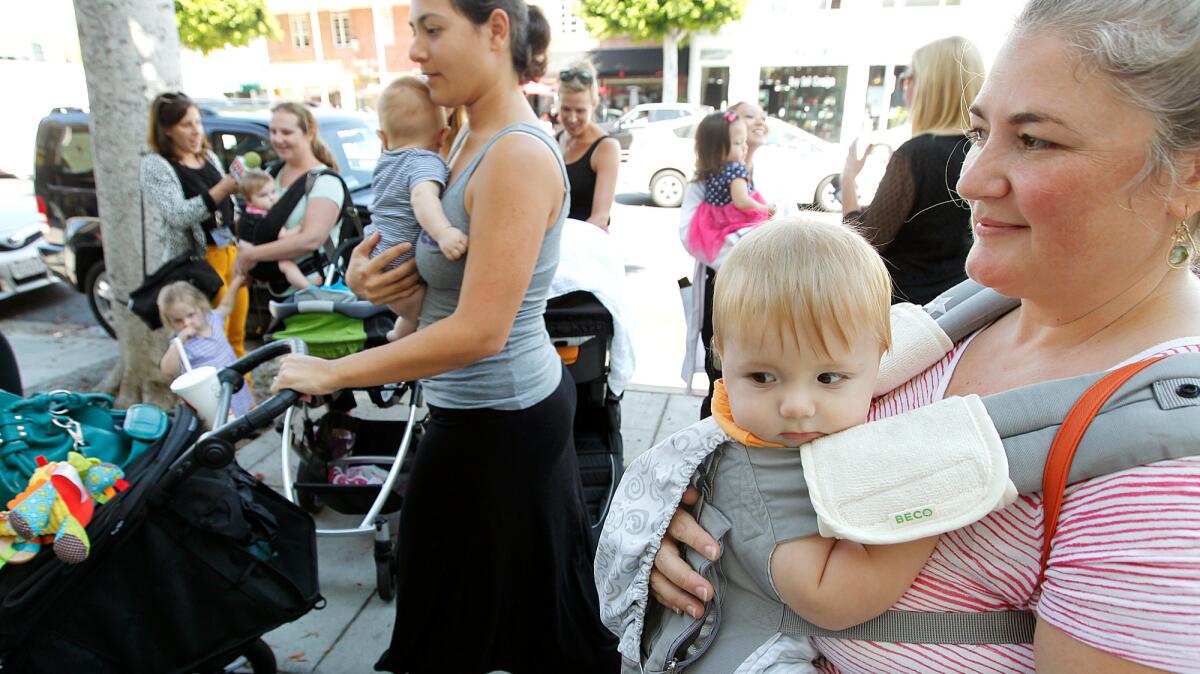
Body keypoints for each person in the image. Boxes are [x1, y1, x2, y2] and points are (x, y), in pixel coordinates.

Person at [649, 1, 1200, 670]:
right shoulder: (973, 312)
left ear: (1188, 176)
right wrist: (700, 526)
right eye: (979, 131)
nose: (969, 179)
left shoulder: (1167, 477)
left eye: (1035, 140)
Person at [271, 1, 620, 671]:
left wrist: (336, 372)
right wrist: (378, 282)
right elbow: (448, 281)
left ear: (494, 30)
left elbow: (483, 330)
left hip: (501, 419)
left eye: (432, 29)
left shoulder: (513, 154)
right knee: (517, 609)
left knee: (451, 610)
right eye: (412, 31)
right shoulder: (461, 135)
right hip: (485, 411)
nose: (414, 51)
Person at [629, 217, 941, 670]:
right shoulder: (763, 469)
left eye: (828, 377)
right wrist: (933, 510)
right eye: (762, 376)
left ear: (881, 359)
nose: (796, 406)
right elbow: (828, 595)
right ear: (720, 355)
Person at [841, 36, 985, 306]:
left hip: (907, 312)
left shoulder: (916, 154)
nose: (904, 87)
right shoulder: (980, 149)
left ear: (933, 86)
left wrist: (848, 178)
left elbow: (861, 244)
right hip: (959, 304)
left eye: (909, 77)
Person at [679, 102, 776, 418]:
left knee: (764, 364)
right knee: (719, 367)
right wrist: (746, 252)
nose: (757, 122)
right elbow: (692, 236)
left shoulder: (776, 172)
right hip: (723, 285)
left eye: (762, 115)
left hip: (768, 288)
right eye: (749, 116)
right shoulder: (704, 183)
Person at [140, 92, 248, 356]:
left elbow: (230, 205)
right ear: (166, 130)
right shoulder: (156, 165)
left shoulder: (207, 157)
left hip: (229, 252)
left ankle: (246, 398)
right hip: (199, 263)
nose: (196, 131)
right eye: (186, 125)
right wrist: (220, 190)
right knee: (212, 341)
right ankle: (218, 396)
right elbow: (178, 215)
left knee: (236, 337)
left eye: (197, 122)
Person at [368, 76, 466, 341]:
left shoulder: (386, 161)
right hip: (401, 265)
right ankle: (402, 339)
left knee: (415, 315)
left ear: (383, 137)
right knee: (431, 318)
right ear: (442, 135)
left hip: (381, 254)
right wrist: (444, 232)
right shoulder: (425, 161)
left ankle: (398, 335)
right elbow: (423, 198)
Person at [234, 102, 346, 289]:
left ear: (310, 133)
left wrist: (250, 255)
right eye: (273, 131)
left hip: (316, 291)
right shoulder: (272, 173)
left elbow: (311, 240)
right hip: (277, 289)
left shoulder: (325, 182)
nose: (277, 139)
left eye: (286, 132)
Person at [686, 111, 775, 265]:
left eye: (744, 141)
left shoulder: (709, 171)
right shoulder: (736, 169)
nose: (744, 148)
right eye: (738, 143)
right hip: (734, 219)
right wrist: (764, 207)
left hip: (709, 220)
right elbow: (741, 202)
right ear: (718, 149)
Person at [158, 278, 254, 418]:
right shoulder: (181, 344)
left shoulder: (213, 319)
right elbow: (167, 368)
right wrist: (180, 341)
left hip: (232, 384)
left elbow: (226, 306)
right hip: (212, 395)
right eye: (178, 321)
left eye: (190, 315)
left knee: (242, 410)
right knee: (223, 420)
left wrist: (236, 283)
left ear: (201, 308)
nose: (186, 323)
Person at [556, 60, 620, 231]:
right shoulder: (556, 140)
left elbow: (600, 217)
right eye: (566, 109)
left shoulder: (606, 148)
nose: (572, 118)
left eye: (580, 110)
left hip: (585, 248)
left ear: (593, 104)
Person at [236, 169, 314, 291]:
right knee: (286, 264)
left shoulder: (247, 215)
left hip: (252, 263)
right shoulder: (265, 218)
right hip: (259, 264)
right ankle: (310, 288)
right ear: (249, 200)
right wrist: (301, 226)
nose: (271, 198)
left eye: (273, 192)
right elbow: (283, 236)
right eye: (263, 195)